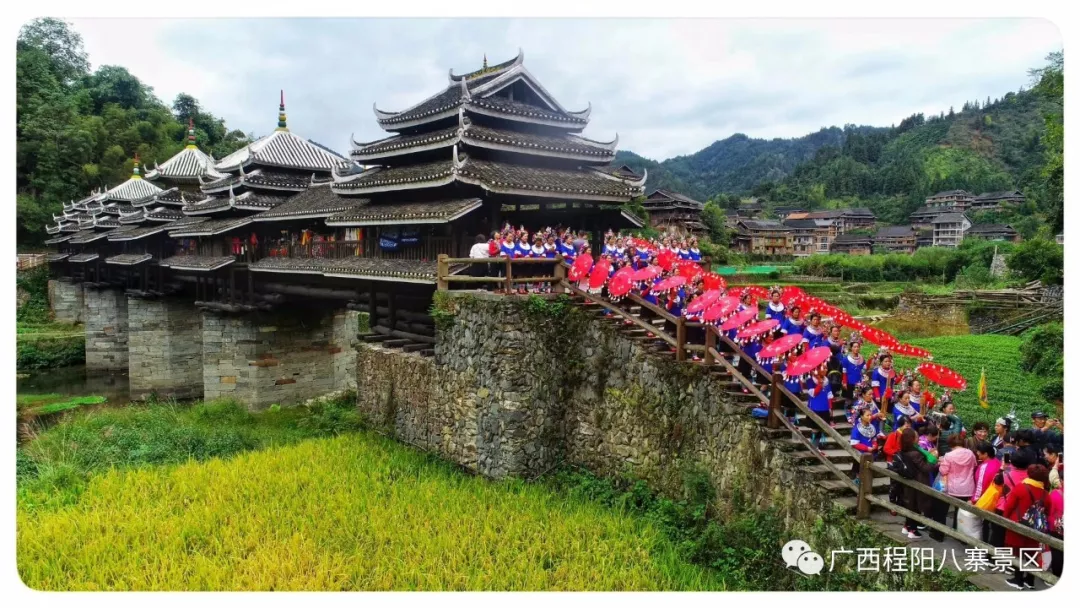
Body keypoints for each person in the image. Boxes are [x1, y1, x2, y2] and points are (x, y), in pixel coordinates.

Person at [1002, 464, 1050, 590]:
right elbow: (1047, 512)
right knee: (1032, 553)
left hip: (1017, 523)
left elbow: (1009, 506)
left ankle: (1018, 580)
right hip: (1036, 527)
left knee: (1017, 552)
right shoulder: (1046, 494)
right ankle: (1030, 580)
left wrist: (1005, 520)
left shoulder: (1020, 488)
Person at [899, 428, 940, 539]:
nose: (918, 438)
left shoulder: (904, 450)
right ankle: (913, 530)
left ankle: (907, 526)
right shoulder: (915, 453)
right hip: (918, 481)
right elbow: (925, 468)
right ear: (911, 439)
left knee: (909, 503)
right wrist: (934, 459)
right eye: (916, 436)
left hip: (909, 480)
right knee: (916, 506)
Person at [938, 434, 977, 529]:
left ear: (950, 444)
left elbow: (943, 471)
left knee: (942, 510)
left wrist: (941, 462)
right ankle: (960, 535)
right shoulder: (971, 454)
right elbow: (974, 465)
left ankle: (939, 533)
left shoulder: (949, 455)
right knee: (961, 513)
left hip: (952, 487)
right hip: (967, 487)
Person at [971, 441, 1002, 542]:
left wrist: (974, 500)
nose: (977, 454)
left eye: (979, 452)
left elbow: (980, 486)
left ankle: (982, 547)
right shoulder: (998, 462)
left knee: (983, 526)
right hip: (997, 500)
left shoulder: (984, 467)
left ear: (986, 454)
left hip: (986, 501)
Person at [850, 407, 884, 482]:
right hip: (860, 454)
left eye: (870, 415)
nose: (870, 417)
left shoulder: (871, 427)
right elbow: (854, 443)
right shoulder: (856, 429)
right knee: (859, 472)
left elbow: (874, 438)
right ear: (862, 416)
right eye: (867, 415)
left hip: (870, 453)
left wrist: (875, 444)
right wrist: (867, 448)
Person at [840, 339, 866, 404]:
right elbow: (844, 372)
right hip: (849, 382)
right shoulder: (846, 359)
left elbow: (864, 368)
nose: (856, 348)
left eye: (858, 347)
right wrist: (845, 382)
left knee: (858, 400)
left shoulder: (861, 358)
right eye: (854, 347)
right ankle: (848, 413)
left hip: (859, 383)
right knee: (849, 401)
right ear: (851, 348)